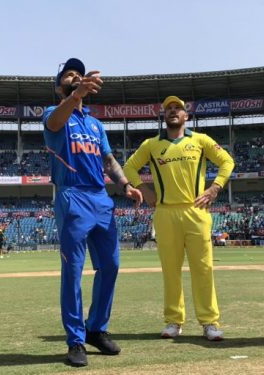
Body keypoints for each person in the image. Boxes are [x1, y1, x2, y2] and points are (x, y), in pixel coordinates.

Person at [43, 58, 143, 367]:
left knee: (111, 265)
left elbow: (109, 161)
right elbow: (56, 122)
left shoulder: (96, 124)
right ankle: (75, 340)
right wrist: (74, 96)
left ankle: (95, 329)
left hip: (100, 198)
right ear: (60, 86)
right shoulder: (53, 113)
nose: (75, 77)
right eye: (69, 75)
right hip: (72, 195)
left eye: (79, 74)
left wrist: (125, 184)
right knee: (73, 271)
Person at [123, 95, 234, 342]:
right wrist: (144, 188)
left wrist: (214, 188)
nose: (173, 111)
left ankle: (209, 322)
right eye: (168, 109)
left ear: (186, 116)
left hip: (196, 211)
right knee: (170, 270)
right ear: (164, 116)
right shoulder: (151, 144)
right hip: (165, 213)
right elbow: (129, 168)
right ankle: (174, 321)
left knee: (203, 269)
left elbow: (227, 161)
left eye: (178, 108)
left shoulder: (201, 140)